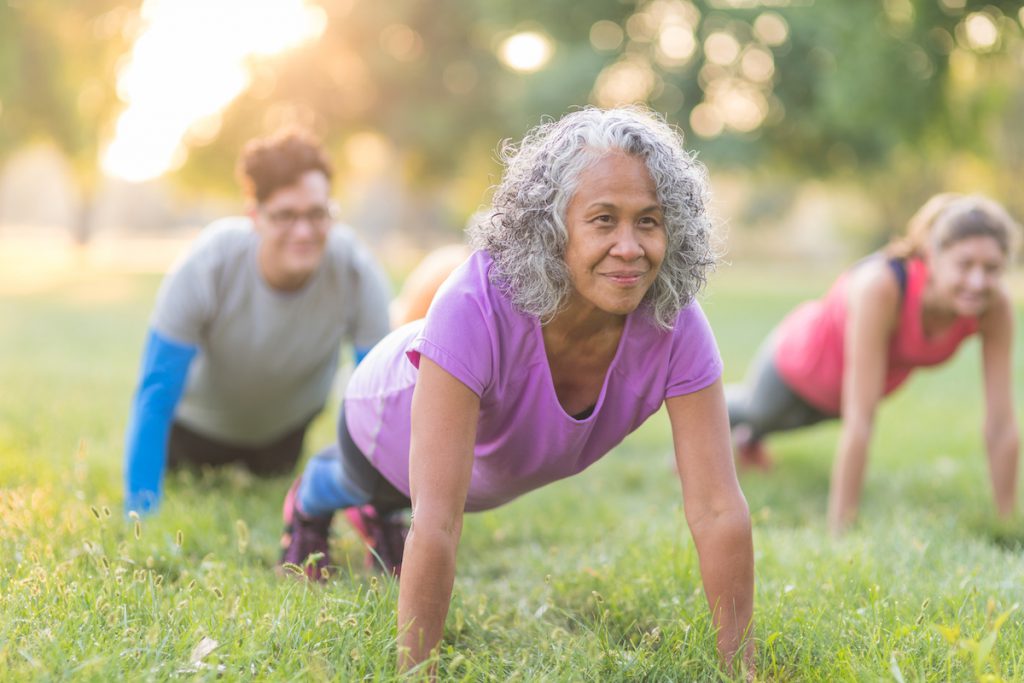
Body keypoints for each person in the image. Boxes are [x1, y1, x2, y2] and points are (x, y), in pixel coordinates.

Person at [280, 107, 754, 671]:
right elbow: (439, 523)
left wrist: (740, 668)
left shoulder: (674, 321)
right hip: (383, 418)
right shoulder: (475, 303)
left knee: (402, 509)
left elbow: (718, 508)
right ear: (552, 228)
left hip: (486, 470)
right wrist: (417, 672)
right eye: (603, 220)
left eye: (648, 221)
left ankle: (379, 519)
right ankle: (311, 497)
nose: (629, 247)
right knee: (365, 484)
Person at [123, 129, 391, 515]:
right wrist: (140, 511)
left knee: (273, 476)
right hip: (193, 436)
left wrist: (375, 507)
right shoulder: (208, 263)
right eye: (285, 215)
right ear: (255, 216)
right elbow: (155, 391)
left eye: (317, 214)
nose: (303, 231)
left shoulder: (355, 269)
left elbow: (379, 400)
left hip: (281, 442)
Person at [727, 193, 1020, 535]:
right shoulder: (881, 285)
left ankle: (746, 441)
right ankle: (703, 415)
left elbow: (1001, 422)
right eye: (965, 264)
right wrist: (841, 528)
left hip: (843, 393)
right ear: (932, 256)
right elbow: (860, 420)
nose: (978, 281)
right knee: (758, 412)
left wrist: (1007, 522)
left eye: (992, 268)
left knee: (783, 423)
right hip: (799, 364)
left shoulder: (993, 306)